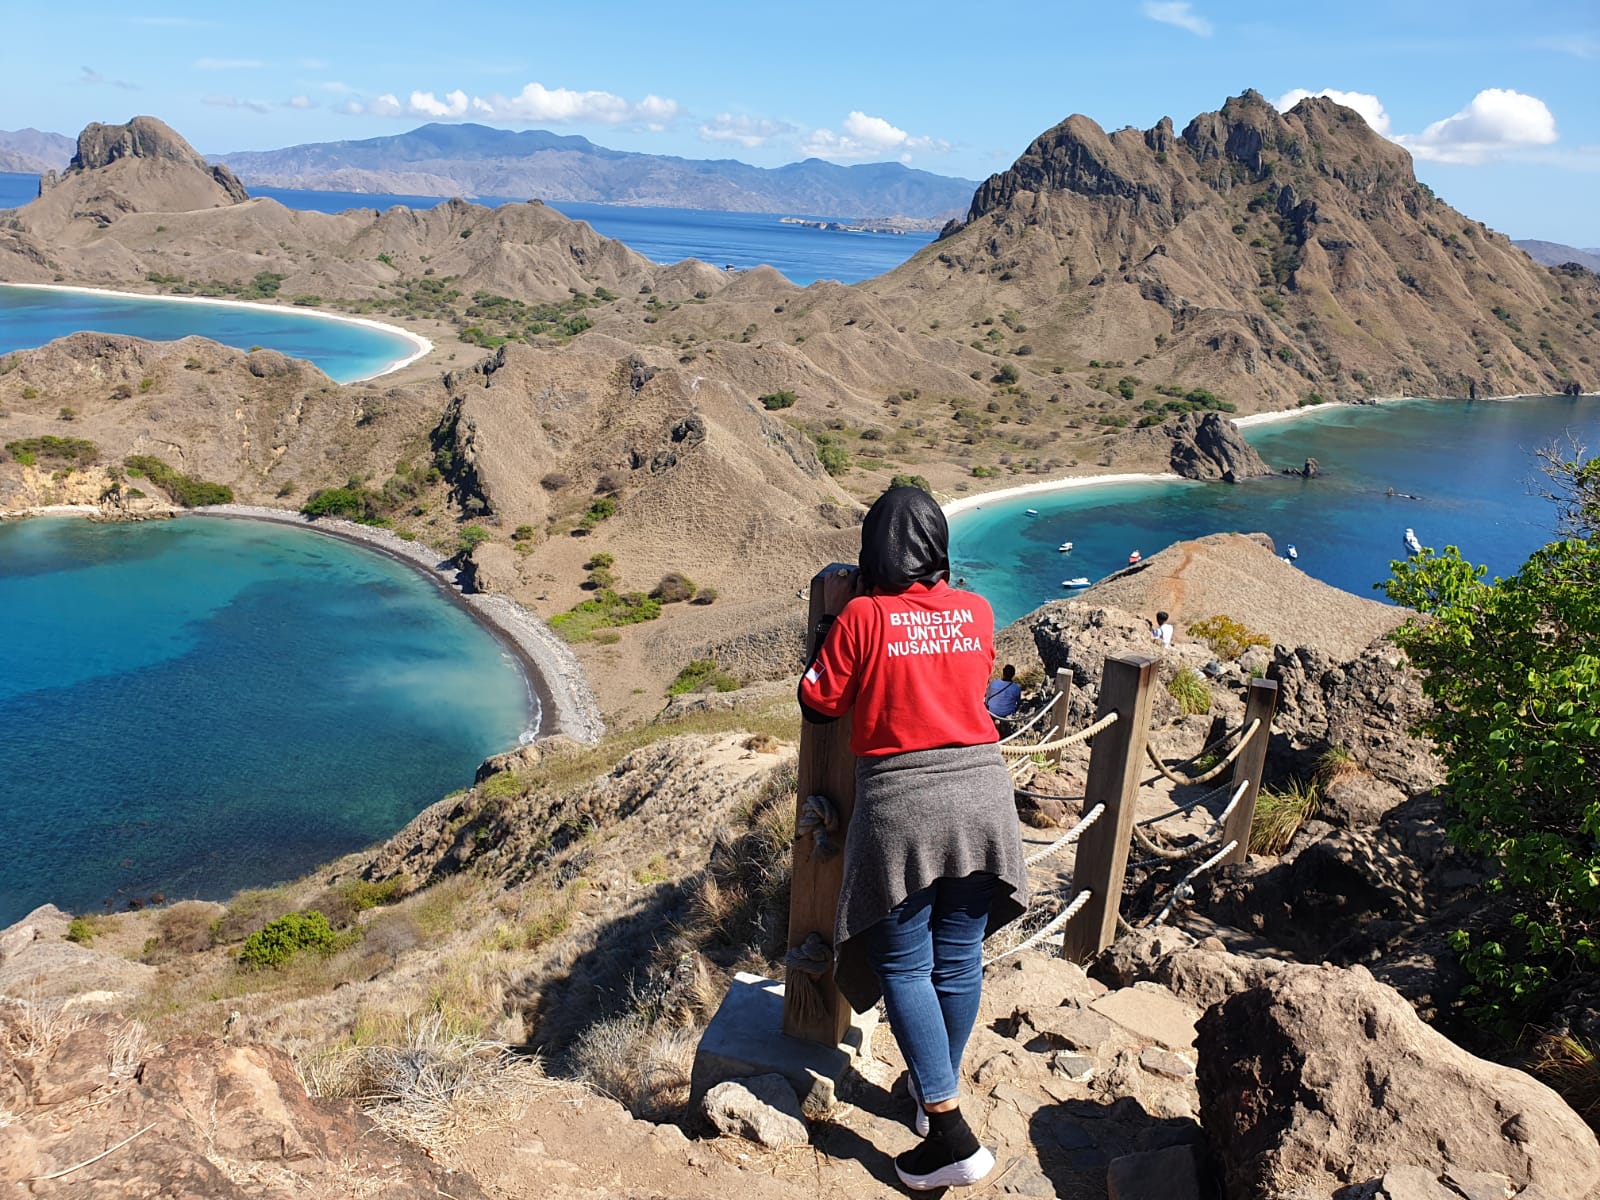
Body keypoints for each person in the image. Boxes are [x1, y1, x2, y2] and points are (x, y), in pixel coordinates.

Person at [798, 486, 1027, 1192]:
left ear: (875, 552)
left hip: (904, 806)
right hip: (984, 797)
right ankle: (934, 1109)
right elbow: (971, 680)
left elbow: (819, 702)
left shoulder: (864, 616)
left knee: (901, 965)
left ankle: (950, 1131)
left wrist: (833, 631)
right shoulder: (977, 610)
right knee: (957, 961)